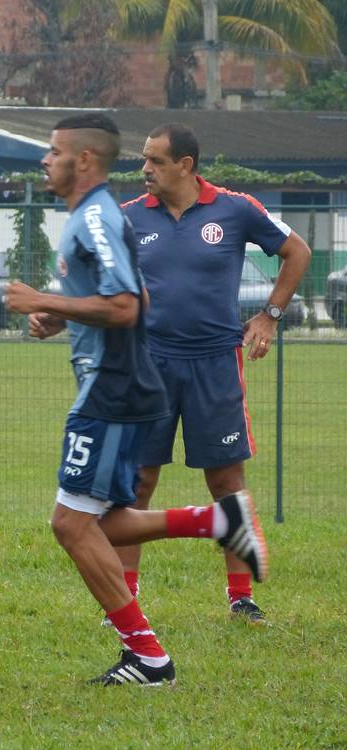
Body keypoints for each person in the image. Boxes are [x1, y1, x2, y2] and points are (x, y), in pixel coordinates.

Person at [4, 113, 269, 686]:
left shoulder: (96, 219)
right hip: (122, 379)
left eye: (54, 152)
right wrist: (62, 314)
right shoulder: (113, 218)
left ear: (85, 160)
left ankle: (149, 656)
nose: (45, 161)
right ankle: (214, 521)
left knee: (73, 525)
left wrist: (41, 299)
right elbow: (141, 296)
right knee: (101, 519)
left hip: (112, 386)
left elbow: (124, 307)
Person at [118, 124, 311, 625]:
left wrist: (270, 314)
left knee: (226, 482)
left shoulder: (235, 208)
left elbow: (298, 252)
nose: (146, 170)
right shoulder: (129, 218)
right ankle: (124, 599)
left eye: (156, 161)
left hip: (215, 364)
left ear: (185, 165)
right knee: (136, 482)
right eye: (144, 160)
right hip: (150, 365)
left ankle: (241, 598)